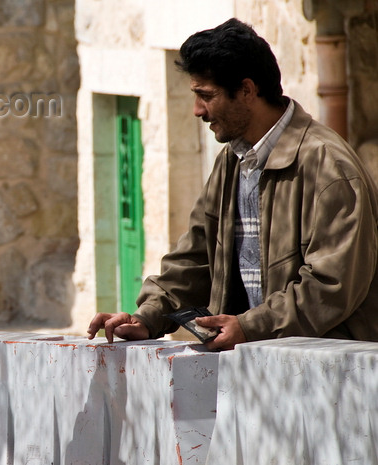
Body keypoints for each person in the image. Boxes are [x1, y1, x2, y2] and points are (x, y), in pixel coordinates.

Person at [87, 18, 378, 350]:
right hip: (253, 370)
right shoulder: (232, 161)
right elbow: (196, 258)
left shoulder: (328, 165)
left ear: (247, 91)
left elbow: (332, 285)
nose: (198, 110)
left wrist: (250, 326)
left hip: (327, 377)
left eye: (206, 96)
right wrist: (147, 317)